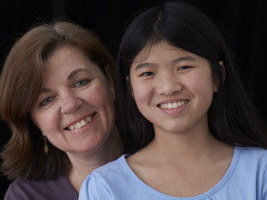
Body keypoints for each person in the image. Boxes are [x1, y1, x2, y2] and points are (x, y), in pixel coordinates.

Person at [79, 1, 267, 199]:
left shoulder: (260, 172)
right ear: (131, 89)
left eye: (183, 67)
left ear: (217, 76)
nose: (168, 87)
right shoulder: (105, 188)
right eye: (148, 73)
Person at [0, 21, 124, 200]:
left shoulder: (170, 158)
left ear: (109, 82)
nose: (70, 105)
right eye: (46, 100)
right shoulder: (24, 196)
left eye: (81, 82)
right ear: (34, 122)